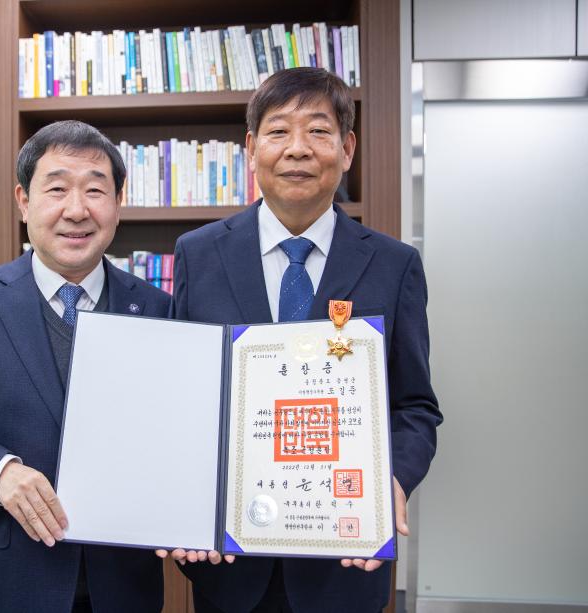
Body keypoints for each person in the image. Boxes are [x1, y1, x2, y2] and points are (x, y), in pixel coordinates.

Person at [167, 68, 443, 613]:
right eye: (278, 132)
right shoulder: (198, 254)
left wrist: (390, 480)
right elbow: (181, 398)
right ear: (251, 150)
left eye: (318, 131)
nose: (297, 149)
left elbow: (415, 407)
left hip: (342, 559)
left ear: (347, 149)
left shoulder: (394, 265)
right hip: (228, 561)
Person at [0, 120, 170, 613]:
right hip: (7, 577)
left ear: (118, 202)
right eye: (57, 189)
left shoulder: (156, 307)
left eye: (95, 190)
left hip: (123, 581)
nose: (77, 210)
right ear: (24, 201)